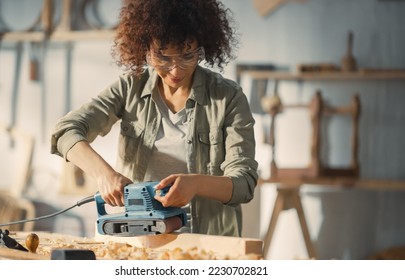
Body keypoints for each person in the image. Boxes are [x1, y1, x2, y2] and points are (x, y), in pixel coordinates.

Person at [51, 0, 258, 237]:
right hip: (136, 240)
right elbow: (65, 132)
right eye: (163, 57)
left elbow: (244, 184)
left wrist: (196, 184)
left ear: (203, 46)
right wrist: (104, 175)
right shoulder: (130, 89)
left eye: (187, 56)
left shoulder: (228, 98)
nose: (175, 70)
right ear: (145, 49)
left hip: (204, 241)